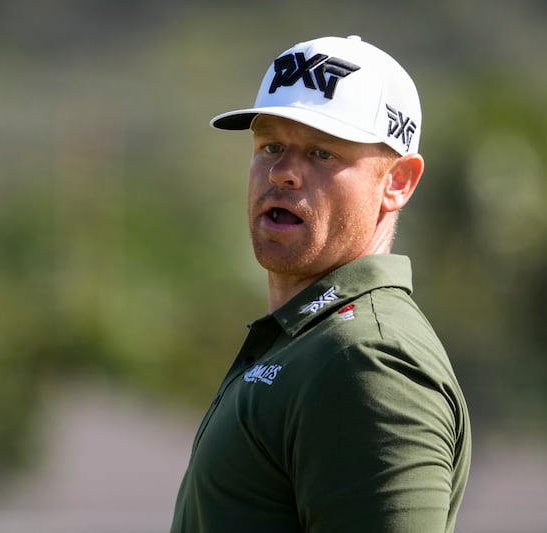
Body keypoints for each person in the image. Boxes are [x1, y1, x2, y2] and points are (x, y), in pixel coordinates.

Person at [170, 35, 471, 533]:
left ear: (397, 181)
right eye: (270, 146)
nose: (284, 173)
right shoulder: (312, 341)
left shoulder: (369, 359)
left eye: (323, 153)